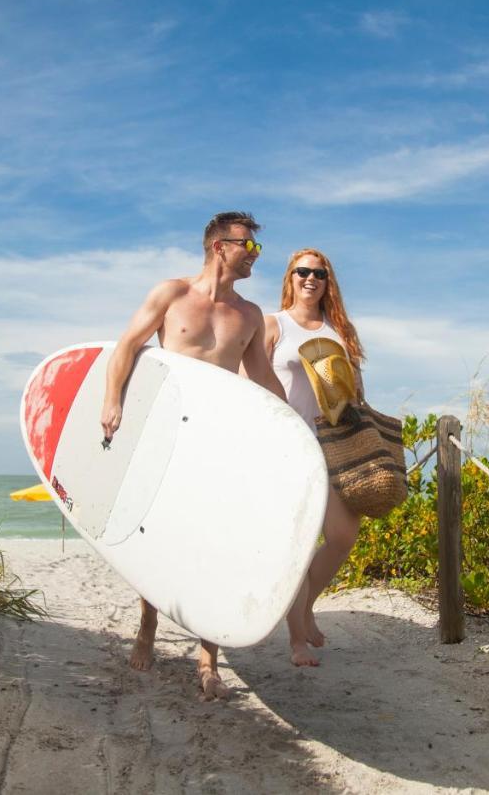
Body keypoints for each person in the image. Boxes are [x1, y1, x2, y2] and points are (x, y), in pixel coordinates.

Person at [100, 211, 287, 700]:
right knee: (157, 538)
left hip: (218, 439)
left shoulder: (248, 315)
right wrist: (112, 401)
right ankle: (148, 626)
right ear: (219, 246)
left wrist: (291, 428)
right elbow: (127, 346)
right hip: (165, 433)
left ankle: (208, 659)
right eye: (250, 246)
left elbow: (263, 377)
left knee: (212, 542)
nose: (255, 256)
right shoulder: (172, 295)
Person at [264, 248, 367, 667]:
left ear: (328, 281)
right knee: (299, 543)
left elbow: (355, 391)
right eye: (302, 271)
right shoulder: (274, 325)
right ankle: (296, 641)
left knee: (343, 535)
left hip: (332, 445)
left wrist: (354, 412)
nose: (311, 278)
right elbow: (247, 379)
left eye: (319, 273)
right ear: (290, 278)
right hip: (285, 447)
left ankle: (306, 609)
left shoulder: (340, 331)